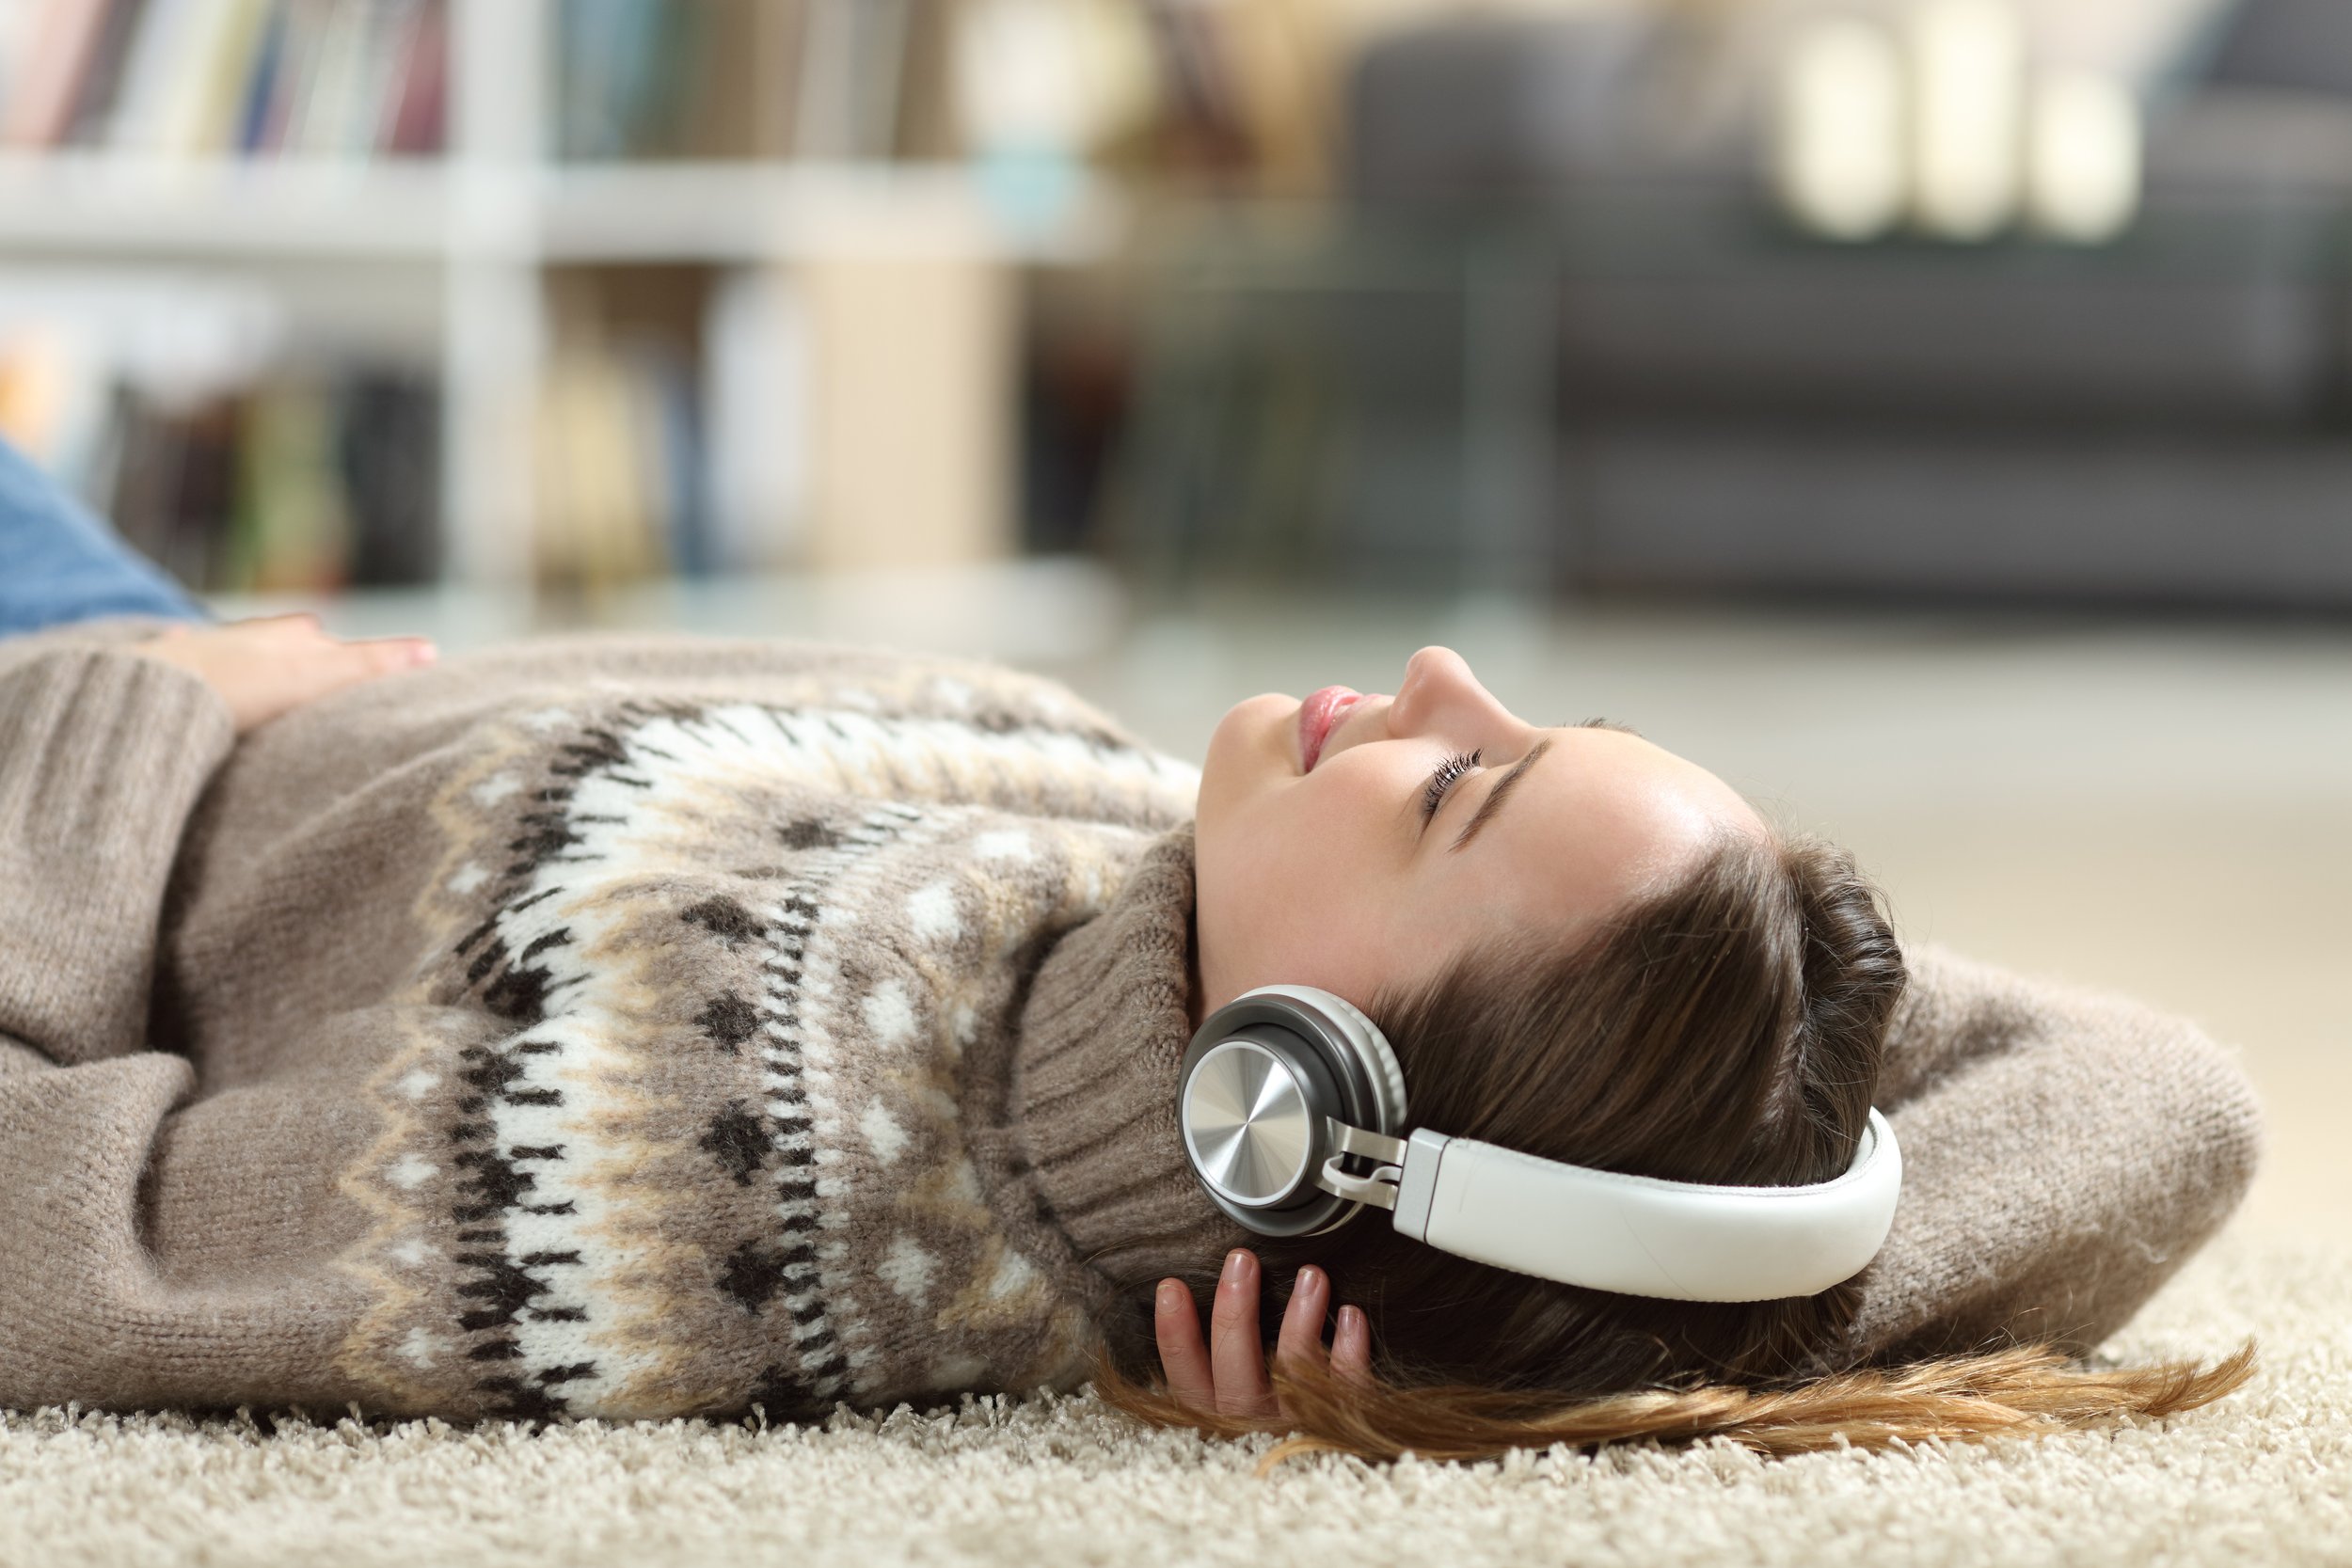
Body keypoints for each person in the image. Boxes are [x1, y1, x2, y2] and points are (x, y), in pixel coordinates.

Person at [0, 443, 2261, 1460]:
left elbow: (33, 1224)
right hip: (195, 656)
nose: (1443, 670)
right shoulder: (1182, 871)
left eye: (1464, 787)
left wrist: (139, 714)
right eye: (1540, 728)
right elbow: (2158, 1090)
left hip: (65, 727)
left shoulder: (691, 1209)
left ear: (1303, 1104)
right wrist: (1575, 1313)